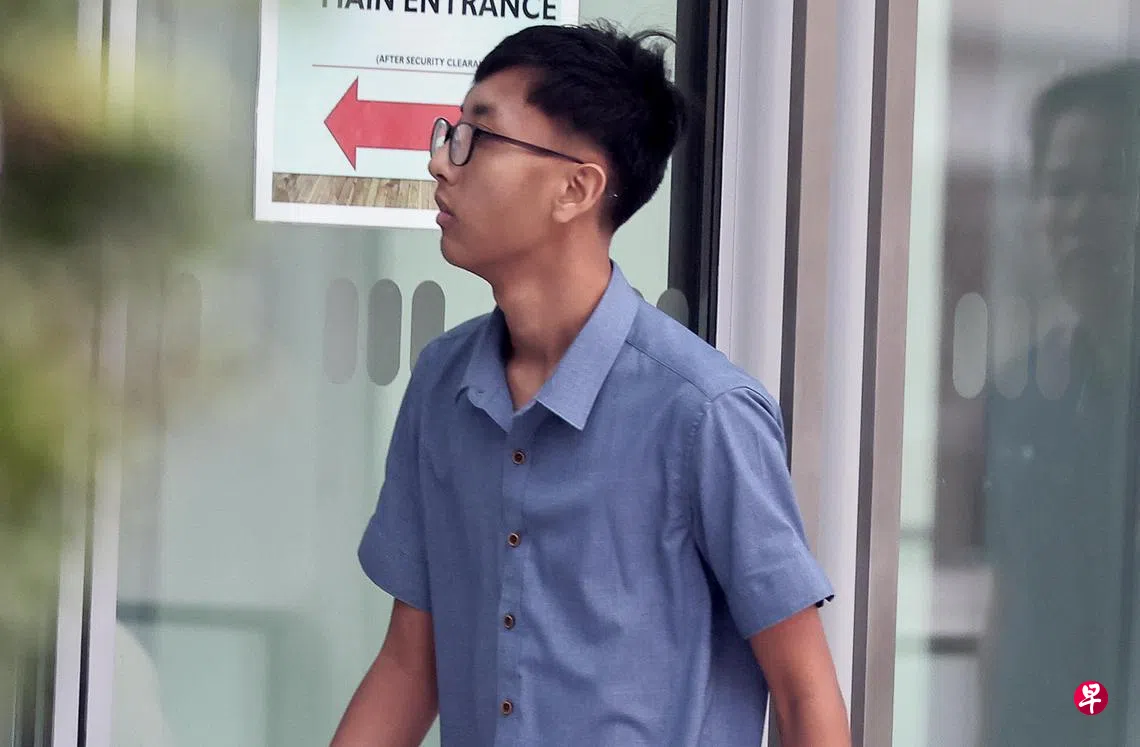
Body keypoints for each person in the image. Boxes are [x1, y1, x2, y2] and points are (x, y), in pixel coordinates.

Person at [331, 22, 849, 747]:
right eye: (451, 132)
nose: (441, 162)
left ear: (576, 188)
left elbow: (804, 693)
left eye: (478, 136)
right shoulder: (442, 384)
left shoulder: (703, 413)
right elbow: (410, 666)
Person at [981, 61, 1140, 746]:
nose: (1079, 216)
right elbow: (1010, 595)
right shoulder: (1025, 390)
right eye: (1062, 188)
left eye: (1112, 185)